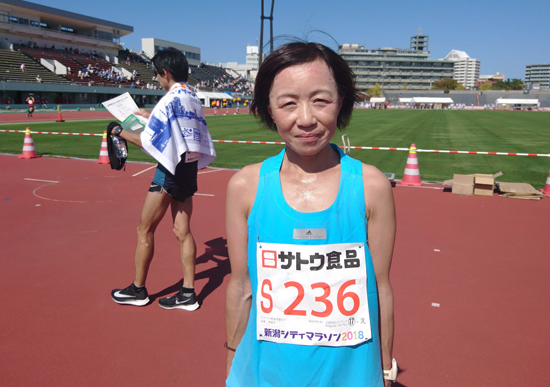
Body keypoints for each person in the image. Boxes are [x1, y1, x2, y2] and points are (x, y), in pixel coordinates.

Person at [225, 42, 397, 386]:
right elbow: (241, 286)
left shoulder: (371, 186)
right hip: (264, 374)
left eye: (320, 100)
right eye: (288, 103)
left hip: (351, 375)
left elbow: (379, 288)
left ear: (341, 103)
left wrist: (384, 371)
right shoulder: (245, 186)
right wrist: (231, 364)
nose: (305, 119)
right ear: (270, 110)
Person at [110, 47, 216, 311]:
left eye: (157, 75)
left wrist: (119, 131)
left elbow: (148, 142)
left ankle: (138, 289)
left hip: (168, 172)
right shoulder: (192, 97)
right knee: (183, 231)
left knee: (144, 229)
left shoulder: (168, 100)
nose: (157, 80)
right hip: (188, 169)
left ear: (165, 73)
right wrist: (150, 116)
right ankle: (188, 293)